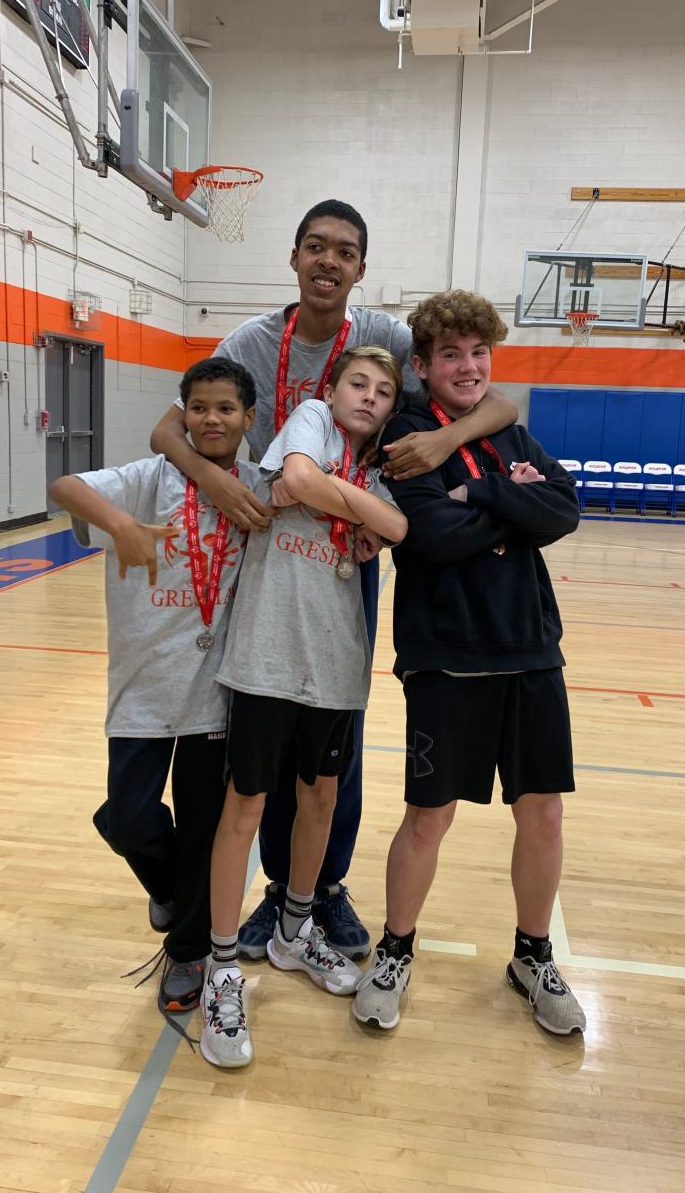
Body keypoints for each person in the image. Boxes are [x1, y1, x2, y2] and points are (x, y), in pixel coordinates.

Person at [149, 199, 518, 960]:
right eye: (315, 247)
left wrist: (445, 436)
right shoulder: (250, 340)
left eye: (344, 252)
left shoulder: (381, 336)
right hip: (267, 555)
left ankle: (317, 892)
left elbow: (498, 400)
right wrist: (213, 482)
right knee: (264, 736)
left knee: (332, 730)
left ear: (359, 268)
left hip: (348, 548)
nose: (328, 261)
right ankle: (274, 890)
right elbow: (168, 427)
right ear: (293, 258)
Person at [352, 290, 587, 1038]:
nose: (468, 366)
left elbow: (564, 509)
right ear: (422, 366)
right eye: (451, 354)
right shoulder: (408, 433)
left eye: (479, 353)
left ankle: (533, 955)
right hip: (445, 653)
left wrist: (480, 486)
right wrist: (512, 507)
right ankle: (394, 952)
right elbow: (434, 533)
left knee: (542, 811)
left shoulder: (507, 432)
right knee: (429, 817)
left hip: (529, 648)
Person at [198, 348, 408, 1069]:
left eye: (384, 392)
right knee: (246, 809)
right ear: (333, 388)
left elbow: (400, 530)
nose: (370, 398)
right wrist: (342, 500)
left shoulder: (379, 465)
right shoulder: (310, 421)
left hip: (335, 663)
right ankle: (223, 966)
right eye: (359, 383)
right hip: (267, 655)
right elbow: (293, 477)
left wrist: (331, 494)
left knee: (319, 798)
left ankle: (293, 931)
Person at [49, 357, 260, 1017]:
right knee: (130, 815)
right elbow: (66, 483)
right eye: (198, 407)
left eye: (226, 407)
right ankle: (171, 888)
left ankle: (189, 951)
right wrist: (120, 526)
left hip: (214, 690)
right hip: (142, 684)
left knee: (203, 826)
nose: (212, 418)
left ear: (249, 419)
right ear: (181, 415)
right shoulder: (151, 478)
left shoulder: (257, 487)